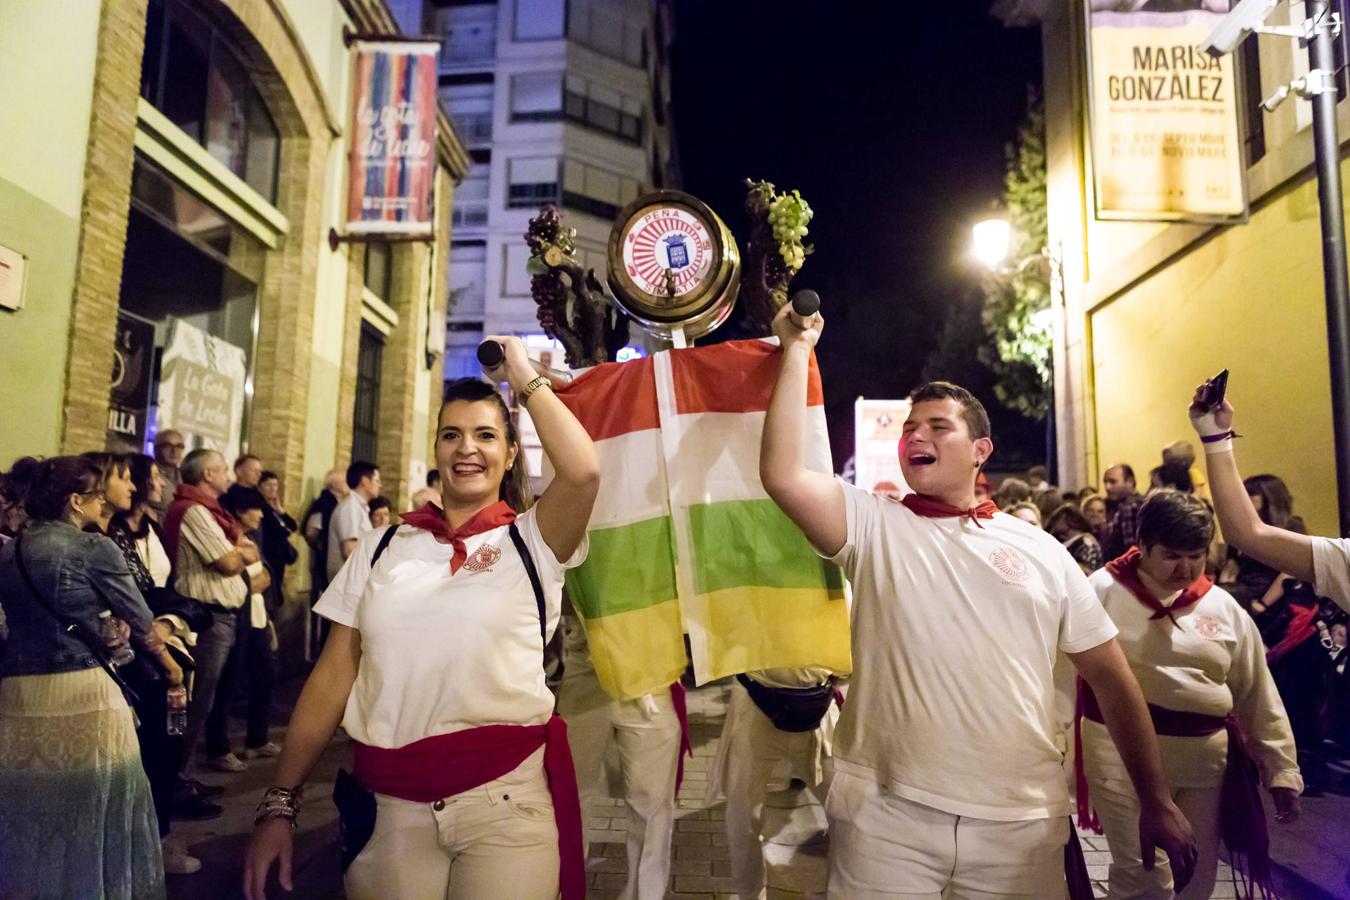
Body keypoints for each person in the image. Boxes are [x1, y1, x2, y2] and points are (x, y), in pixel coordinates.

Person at [759, 304, 1196, 898]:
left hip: (1019, 827)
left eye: (938, 426)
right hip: (886, 820)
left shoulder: (1042, 551)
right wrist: (795, 350)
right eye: (911, 427)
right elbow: (783, 475)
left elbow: (1114, 681)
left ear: (981, 449)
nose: (917, 435)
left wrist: (1157, 799)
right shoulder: (873, 525)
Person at [243, 337, 600, 900]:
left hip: (505, 802)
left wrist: (523, 377)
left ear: (510, 454)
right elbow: (335, 675)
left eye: (486, 435)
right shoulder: (383, 547)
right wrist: (279, 803)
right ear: (435, 448)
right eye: (451, 434)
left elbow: (582, 474)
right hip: (388, 806)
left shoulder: (533, 538)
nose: (468, 448)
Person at [1080, 490, 1302, 899]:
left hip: (1203, 758)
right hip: (1115, 751)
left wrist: (1281, 770)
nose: (1185, 568)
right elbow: (1065, 675)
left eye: (1195, 555)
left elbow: (1255, 690)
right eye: (1171, 555)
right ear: (1142, 545)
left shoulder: (1223, 607)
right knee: (1142, 874)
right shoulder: (1100, 592)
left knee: (1195, 874)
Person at [0, 456, 177, 898]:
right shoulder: (93, 548)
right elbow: (140, 619)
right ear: (75, 502)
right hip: (83, 693)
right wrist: (165, 655)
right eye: (98, 495)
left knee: (31, 814)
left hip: (19, 695)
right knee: (100, 809)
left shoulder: (8, 551)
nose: (104, 503)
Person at [107, 453, 218, 871]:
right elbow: (129, 598)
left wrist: (173, 621)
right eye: (149, 477)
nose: (153, 484)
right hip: (137, 654)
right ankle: (146, 844)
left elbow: (160, 587)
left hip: (166, 640)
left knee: (167, 745)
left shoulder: (150, 527)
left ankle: (159, 835)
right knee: (148, 750)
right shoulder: (111, 535)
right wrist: (159, 631)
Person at [556, 611, 685, 900]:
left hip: (651, 676)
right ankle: (565, 890)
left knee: (651, 804)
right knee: (569, 799)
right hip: (586, 669)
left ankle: (645, 896)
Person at [163, 448, 266, 776]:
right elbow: (229, 562)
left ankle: (185, 775)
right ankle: (178, 778)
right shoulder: (193, 511)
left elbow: (248, 549)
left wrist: (239, 551)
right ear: (207, 474)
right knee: (195, 701)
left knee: (206, 699)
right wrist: (239, 552)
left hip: (224, 614)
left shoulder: (215, 511)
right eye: (222, 469)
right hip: (206, 615)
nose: (227, 475)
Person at [707, 665, 839, 900]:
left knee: (848, 813)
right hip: (755, 701)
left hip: (818, 703)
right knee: (742, 817)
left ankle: (842, 891)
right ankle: (750, 895)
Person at [219, 489, 280, 762]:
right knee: (228, 683)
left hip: (258, 616)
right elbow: (241, 584)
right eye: (256, 508)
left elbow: (267, 576)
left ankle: (257, 738)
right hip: (238, 617)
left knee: (265, 676)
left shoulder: (253, 540)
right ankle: (218, 747)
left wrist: (252, 582)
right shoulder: (225, 543)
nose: (261, 514)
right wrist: (250, 584)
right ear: (241, 511)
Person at [1222, 474, 1306, 611]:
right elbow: (1230, 567)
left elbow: (1289, 573)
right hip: (1244, 596)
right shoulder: (1242, 528)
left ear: (1269, 497)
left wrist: (1263, 604)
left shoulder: (1291, 526)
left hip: (1276, 601)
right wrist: (1225, 596)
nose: (1243, 499)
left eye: (1250, 494)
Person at [326, 461, 381, 583]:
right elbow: (349, 550)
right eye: (377, 481)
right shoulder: (350, 507)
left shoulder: (358, 507)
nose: (380, 485)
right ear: (365, 481)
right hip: (347, 582)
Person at [257, 470, 299, 580]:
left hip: (278, 556)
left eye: (275, 485)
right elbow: (279, 531)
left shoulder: (274, 508)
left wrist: (281, 512)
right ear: (259, 486)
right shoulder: (260, 507)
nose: (273, 488)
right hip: (268, 554)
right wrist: (285, 530)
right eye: (268, 485)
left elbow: (293, 526)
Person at [1046, 503, 1105, 575]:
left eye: (1058, 519)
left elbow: (1089, 573)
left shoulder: (1087, 544)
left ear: (1072, 521)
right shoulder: (1065, 541)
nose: (1055, 523)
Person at [1102, 464, 1145, 561]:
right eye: (1105, 482)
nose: (1107, 487)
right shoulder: (1116, 505)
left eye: (1113, 482)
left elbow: (1131, 552)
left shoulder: (1130, 507)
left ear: (1130, 482)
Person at [152, 429, 186, 520]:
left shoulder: (186, 477)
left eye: (179, 446)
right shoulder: (148, 474)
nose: (174, 451)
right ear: (156, 449)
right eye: (167, 446)